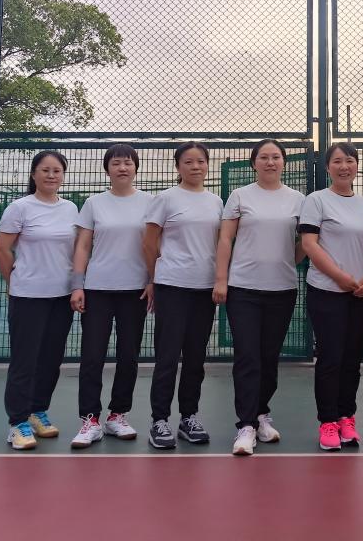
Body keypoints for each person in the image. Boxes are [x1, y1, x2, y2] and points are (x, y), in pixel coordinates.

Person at [214, 139, 305, 456]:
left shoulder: (298, 200)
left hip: (282, 290)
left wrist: (287, 261)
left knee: (268, 358)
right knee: (248, 357)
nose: (270, 162)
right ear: (254, 163)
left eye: (276, 157)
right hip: (243, 290)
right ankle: (246, 425)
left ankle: (262, 414)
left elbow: (305, 242)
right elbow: (225, 239)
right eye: (264, 157)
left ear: (283, 162)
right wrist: (222, 279)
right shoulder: (240, 196)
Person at [69, 144, 153, 449]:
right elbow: (82, 246)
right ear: (107, 169)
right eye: (116, 163)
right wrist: (77, 285)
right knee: (92, 355)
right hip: (98, 289)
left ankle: (118, 415)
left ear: (136, 168)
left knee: (128, 355)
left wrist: (153, 280)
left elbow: (155, 245)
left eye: (128, 163)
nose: (122, 168)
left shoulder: (150, 202)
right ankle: (90, 420)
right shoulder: (94, 203)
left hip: (135, 290)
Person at [0, 150, 78, 450]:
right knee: (25, 360)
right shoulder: (20, 208)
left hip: (62, 296)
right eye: (45, 170)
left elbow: (74, 250)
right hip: (28, 296)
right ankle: (17, 423)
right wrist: (13, 281)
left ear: (63, 176)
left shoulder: (71, 209)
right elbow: (2, 248)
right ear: (34, 174)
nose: (51, 175)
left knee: (51, 360)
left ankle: (37, 411)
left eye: (57, 170)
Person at [143, 142, 222, 449]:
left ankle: (189, 417)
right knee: (167, 356)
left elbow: (220, 243)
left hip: (204, 289)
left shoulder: (216, 202)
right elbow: (150, 243)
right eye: (188, 162)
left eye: (201, 161)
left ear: (207, 165)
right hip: (171, 286)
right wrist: (154, 278)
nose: (195, 166)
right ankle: (159, 420)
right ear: (178, 167)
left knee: (195, 357)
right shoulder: (165, 198)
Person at [299, 143, 363, 451]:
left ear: (357, 166)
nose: (344, 166)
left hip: (360, 293)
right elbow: (309, 244)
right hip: (326, 292)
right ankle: (328, 422)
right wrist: (341, 278)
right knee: (330, 358)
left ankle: (346, 418)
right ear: (328, 167)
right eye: (338, 161)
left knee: (352, 359)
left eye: (350, 161)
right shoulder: (316, 200)